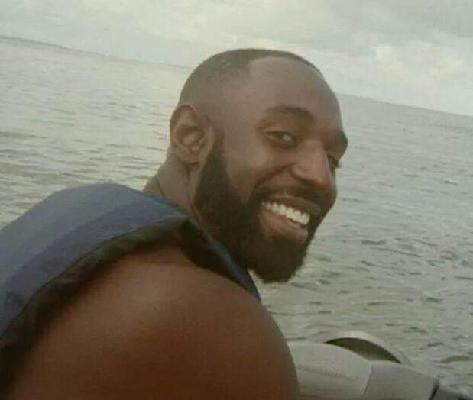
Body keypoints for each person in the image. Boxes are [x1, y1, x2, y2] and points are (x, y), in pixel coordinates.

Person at [0, 49, 347, 399]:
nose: (322, 178)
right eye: (284, 137)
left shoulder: (73, 211)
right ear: (191, 136)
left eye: (332, 160)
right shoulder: (213, 325)